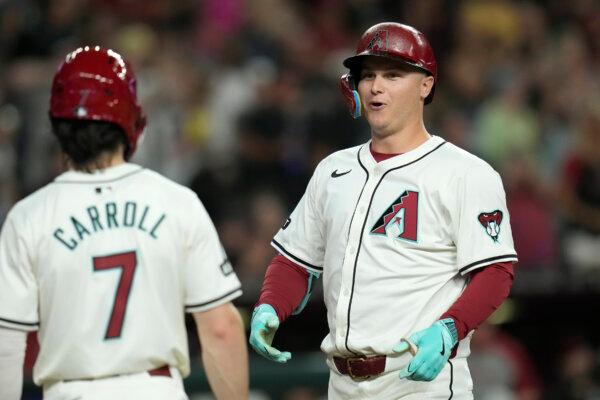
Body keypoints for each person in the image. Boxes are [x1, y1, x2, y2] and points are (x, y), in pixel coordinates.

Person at [248, 22, 518, 399]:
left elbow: (495, 271)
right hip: (340, 383)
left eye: (393, 74)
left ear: (425, 85)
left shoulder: (465, 173)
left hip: (420, 385)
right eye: (368, 75)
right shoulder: (333, 170)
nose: (376, 86)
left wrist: (450, 329)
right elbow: (296, 260)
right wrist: (271, 305)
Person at [0, 46, 248, 400]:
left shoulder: (28, 216)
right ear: (133, 123)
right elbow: (221, 328)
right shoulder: (176, 202)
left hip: (70, 392)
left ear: (57, 126)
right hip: (155, 389)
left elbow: (6, 346)